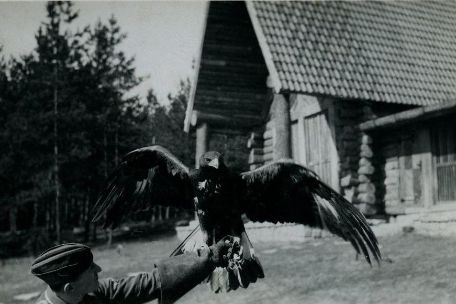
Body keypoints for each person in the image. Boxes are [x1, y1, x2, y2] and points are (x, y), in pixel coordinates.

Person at [31, 237, 234, 304]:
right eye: (91, 270)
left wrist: (208, 259)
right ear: (70, 287)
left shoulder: (94, 293)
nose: (99, 269)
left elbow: (150, 283)